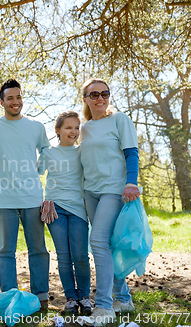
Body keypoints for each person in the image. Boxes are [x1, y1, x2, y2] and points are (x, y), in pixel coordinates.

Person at [0, 79, 50, 310]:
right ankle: (9, 296)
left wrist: (39, 169)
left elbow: (47, 149)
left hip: (32, 197)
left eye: (18, 97)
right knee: (5, 251)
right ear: (2, 102)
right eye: (10, 98)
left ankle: (41, 295)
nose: (15, 101)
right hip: (3, 199)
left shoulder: (36, 126)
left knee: (38, 248)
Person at [80, 78, 140, 326]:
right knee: (107, 245)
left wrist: (131, 182)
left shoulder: (119, 119)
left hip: (113, 190)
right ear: (85, 98)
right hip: (90, 191)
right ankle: (123, 299)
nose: (100, 98)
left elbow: (131, 152)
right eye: (94, 94)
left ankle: (104, 306)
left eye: (104, 93)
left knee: (97, 242)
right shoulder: (83, 128)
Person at [38, 111, 91, 315]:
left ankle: (84, 297)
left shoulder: (83, 151)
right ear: (58, 130)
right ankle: (70, 299)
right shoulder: (48, 152)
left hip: (78, 208)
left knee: (80, 255)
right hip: (55, 209)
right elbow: (33, 175)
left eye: (77, 127)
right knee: (63, 255)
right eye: (68, 127)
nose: (74, 131)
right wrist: (43, 200)